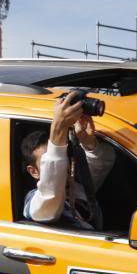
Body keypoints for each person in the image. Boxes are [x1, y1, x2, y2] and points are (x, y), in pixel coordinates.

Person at [21, 92, 115, 229]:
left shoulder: (75, 187)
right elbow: (51, 194)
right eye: (47, 160)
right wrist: (59, 129)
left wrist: (89, 144)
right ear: (34, 172)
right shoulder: (37, 205)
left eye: (62, 156)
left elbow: (100, 165)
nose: (61, 164)